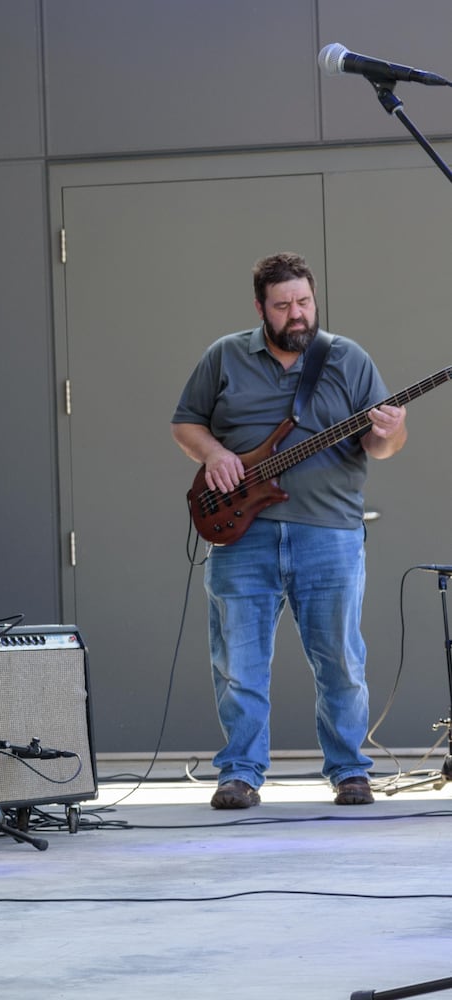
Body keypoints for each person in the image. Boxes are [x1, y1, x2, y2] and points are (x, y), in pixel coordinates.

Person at [171, 251, 406, 811]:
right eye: (283, 306)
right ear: (261, 308)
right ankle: (241, 774)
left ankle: (351, 771)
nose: (297, 314)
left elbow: (382, 448)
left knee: (341, 660)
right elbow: (185, 424)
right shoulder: (224, 355)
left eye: (304, 301)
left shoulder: (348, 359)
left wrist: (391, 431)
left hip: (330, 533)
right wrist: (216, 454)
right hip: (241, 531)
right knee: (238, 662)